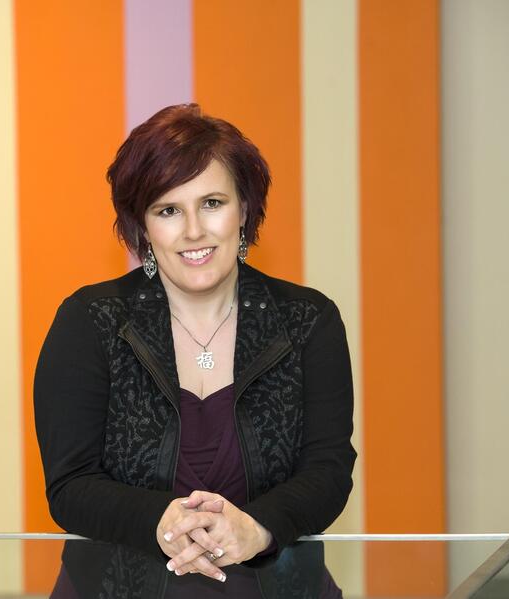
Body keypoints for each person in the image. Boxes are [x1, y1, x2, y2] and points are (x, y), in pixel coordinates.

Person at [34, 104, 356, 598]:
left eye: (212, 203)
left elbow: (329, 472)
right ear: (141, 227)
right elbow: (71, 485)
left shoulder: (308, 320)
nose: (193, 231)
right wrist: (160, 520)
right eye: (168, 210)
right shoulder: (89, 322)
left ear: (244, 209)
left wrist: (258, 529)